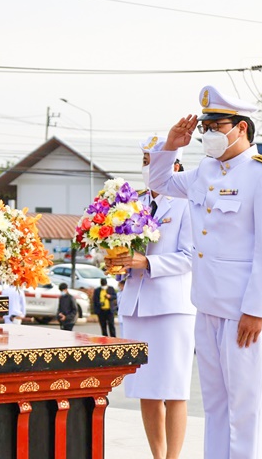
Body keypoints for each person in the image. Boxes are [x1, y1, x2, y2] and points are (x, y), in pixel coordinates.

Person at [149, 85, 262, 459]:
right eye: (204, 126)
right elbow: (159, 183)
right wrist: (172, 145)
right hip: (208, 304)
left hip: (244, 310)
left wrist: (256, 309)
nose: (207, 133)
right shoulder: (204, 172)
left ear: (241, 128)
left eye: (216, 125)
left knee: (244, 409)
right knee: (214, 405)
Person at [107, 136, 195, 459]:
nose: (147, 168)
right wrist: (118, 264)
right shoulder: (133, 205)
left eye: (152, 161)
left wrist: (148, 262)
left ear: (174, 164)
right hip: (136, 305)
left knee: (173, 389)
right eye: (144, 161)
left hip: (172, 308)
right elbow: (128, 255)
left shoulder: (187, 202)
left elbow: (191, 256)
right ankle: (158, 457)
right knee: (146, 389)